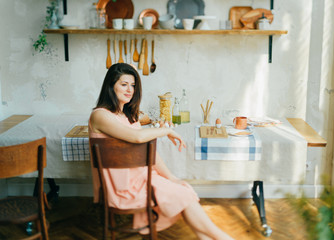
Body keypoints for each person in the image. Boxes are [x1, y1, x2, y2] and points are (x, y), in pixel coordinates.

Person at [89, 63, 234, 240]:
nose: (130, 90)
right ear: (111, 86)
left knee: (182, 189)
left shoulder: (128, 116)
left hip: (141, 178)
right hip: (121, 188)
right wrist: (167, 130)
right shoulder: (100, 115)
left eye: (133, 85)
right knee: (184, 195)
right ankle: (223, 238)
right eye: (124, 84)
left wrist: (171, 177)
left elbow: (147, 150)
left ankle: (212, 238)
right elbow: (137, 138)